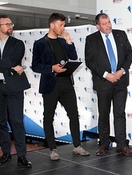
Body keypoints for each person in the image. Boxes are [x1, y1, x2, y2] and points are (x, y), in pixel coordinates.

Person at [31, 13, 89, 160]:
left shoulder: (63, 42)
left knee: (74, 114)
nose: (62, 28)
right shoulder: (40, 43)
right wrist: (52, 68)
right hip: (50, 84)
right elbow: (35, 66)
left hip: (66, 83)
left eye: (63, 25)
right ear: (52, 25)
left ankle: (77, 146)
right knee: (48, 117)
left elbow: (74, 57)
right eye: (60, 25)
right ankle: (53, 149)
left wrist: (69, 41)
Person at [0, 15, 32, 167]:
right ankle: (5, 153)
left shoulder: (18, 44)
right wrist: (7, 66)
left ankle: (22, 156)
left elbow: (12, 60)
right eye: (7, 24)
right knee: (1, 122)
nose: (11, 26)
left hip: (14, 87)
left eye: (11, 23)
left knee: (16, 121)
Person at [84, 13, 132, 156]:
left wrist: (121, 71)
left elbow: (130, 54)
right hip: (103, 82)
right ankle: (104, 144)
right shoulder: (91, 39)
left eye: (109, 22)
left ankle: (122, 145)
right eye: (104, 24)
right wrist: (107, 75)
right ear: (98, 26)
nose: (108, 26)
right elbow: (90, 61)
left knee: (119, 114)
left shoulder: (121, 35)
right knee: (104, 114)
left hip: (120, 81)